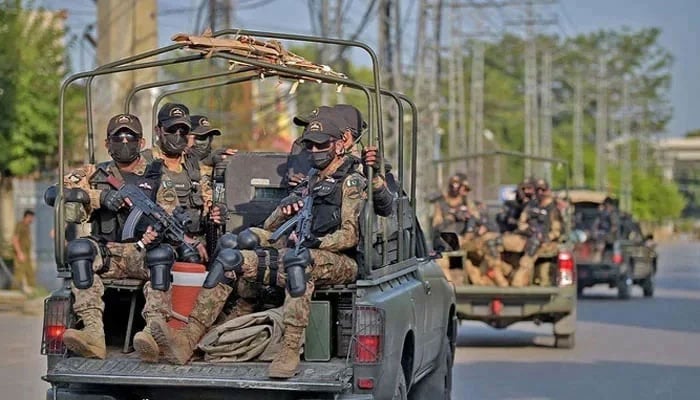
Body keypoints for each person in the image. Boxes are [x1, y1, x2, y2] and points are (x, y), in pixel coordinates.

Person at [151, 114, 366, 380]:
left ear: (339, 144)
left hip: (338, 260)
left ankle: (289, 348)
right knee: (230, 257)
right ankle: (188, 337)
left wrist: (318, 242)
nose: (314, 151)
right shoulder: (311, 179)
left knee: (297, 261)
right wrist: (285, 210)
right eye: (309, 145)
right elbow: (272, 225)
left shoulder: (351, 180)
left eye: (321, 145)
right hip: (297, 251)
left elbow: (350, 235)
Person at [60, 113, 181, 361]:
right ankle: (93, 334)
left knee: (162, 255)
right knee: (80, 250)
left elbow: (169, 213)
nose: (124, 142)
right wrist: (100, 198)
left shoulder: (157, 175)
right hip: (108, 255)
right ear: (107, 143)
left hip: (142, 254)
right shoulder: (95, 173)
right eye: (118, 138)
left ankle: (153, 333)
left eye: (130, 137)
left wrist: (155, 232)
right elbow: (60, 192)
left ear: (142, 142)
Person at [144, 103, 224, 262]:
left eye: (183, 131)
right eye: (172, 130)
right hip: (158, 245)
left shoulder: (194, 167)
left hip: (196, 244)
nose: (178, 135)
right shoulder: (144, 163)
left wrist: (218, 211)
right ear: (158, 130)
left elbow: (208, 203)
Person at [288, 104, 394, 217]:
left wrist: (373, 178)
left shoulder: (361, 169)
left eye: (320, 138)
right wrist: (296, 193)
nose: (309, 134)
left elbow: (385, 208)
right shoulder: (316, 168)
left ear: (345, 138)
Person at [500, 179, 562, 287]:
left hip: (542, 241)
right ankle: (508, 272)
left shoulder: (553, 208)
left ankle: (518, 281)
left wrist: (546, 237)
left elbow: (556, 231)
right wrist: (526, 229)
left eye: (543, 190)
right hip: (526, 236)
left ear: (548, 191)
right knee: (494, 242)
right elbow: (521, 222)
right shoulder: (531, 205)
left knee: (534, 244)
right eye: (538, 190)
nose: (540, 193)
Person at [11, 210, 35, 293]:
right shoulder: (20, 225)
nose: (32, 220)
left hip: (27, 254)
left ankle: (32, 291)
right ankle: (14, 292)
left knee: (30, 273)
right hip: (21, 253)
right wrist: (19, 253)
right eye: (31, 218)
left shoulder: (27, 226)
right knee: (19, 274)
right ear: (27, 217)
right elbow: (15, 240)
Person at [592, 196, 620, 262]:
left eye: (606, 205)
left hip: (611, 237)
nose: (605, 207)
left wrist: (605, 233)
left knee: (614, 251)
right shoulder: (603, 213)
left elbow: (614, 226)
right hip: (604, 236)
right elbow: (596, 223)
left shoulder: (613, 213)